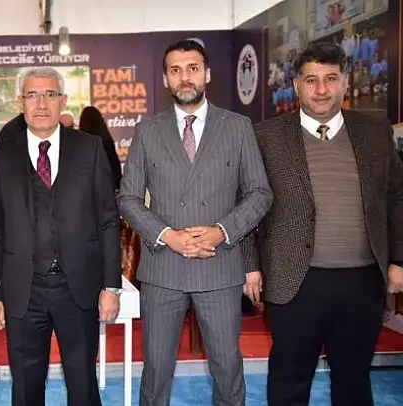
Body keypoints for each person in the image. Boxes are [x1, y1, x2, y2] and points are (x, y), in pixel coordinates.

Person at [117, 39, 272, 406]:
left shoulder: (238, 127)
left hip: (219, 265)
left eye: (192, 68)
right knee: (156, 371)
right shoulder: (148, 130)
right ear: (165, 79)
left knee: (227, 367)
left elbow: (259, 193)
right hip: (163, 268)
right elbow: (127, 197)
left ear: (207, 74)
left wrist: (221, 232)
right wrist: (167, 236)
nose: (184, 77)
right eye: (175, 70)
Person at [247, 42, 403, 406]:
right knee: (289, 380)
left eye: (331, 78)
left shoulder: (375, 132)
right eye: (311, 80)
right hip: (294, 282)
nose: (321, 89)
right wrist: (250, 266)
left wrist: (399, 259)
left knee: (354, 380)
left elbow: (397, 197)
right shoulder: (266, 136)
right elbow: (247, 204)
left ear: (345, 83)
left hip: (362, 282)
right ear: (296, 85)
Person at [0, 67, 121, 406]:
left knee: (83, 384)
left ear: (63, 101)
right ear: (20, 102)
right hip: (22, 292)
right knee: (26, 387)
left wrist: (111, 286)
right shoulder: (0, 157)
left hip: (79, 289)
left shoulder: (89, 148)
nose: (41, 103)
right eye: (32, 95)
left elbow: (107, 221)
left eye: (50, 95)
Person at [78, 105, 122, 191]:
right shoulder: (106, 141)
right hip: (105, 187)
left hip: (85, 189)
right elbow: (115, 167)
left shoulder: (79, 142)